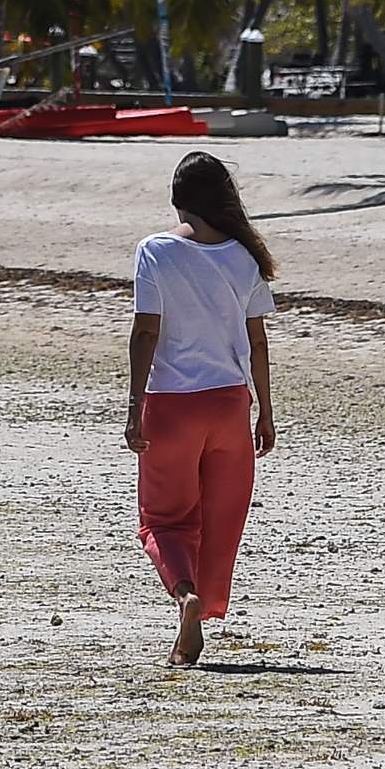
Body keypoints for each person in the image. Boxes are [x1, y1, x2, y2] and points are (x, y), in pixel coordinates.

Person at [125, 150, 277, 668]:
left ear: (178, 198)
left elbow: (146, 330)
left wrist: (133, 406)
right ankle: (205, 607)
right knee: (220, 518)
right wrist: (266, 411)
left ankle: (185, 596)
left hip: (172, 404)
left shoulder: (155, 251)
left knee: (163, 520)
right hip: (231, 404)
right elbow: (257, 342)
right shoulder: (244, 256)